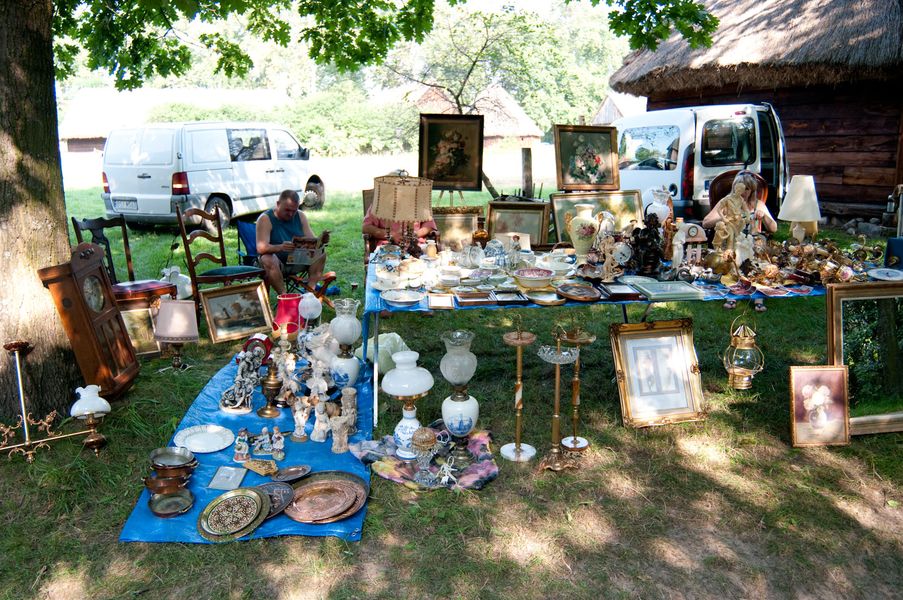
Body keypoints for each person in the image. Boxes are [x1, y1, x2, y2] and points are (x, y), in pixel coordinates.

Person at [702, 171, 777, 312]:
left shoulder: (758, 204)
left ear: (752, 190)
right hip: (732, 243)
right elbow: (706, 222)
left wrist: (764, 217)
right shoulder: (727, 201)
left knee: (758, 264)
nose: (743, 191)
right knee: (732, 262)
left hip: (751, 244)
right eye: (740, 187)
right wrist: (724, 216)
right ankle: (732, 296)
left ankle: (758, 298)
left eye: (747, 189)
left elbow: (773, 228)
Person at [256, 189, 330, 294]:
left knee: (321, 254)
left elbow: (312, 242)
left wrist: (321, 242)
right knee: (267, 258)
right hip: (277, 264)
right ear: (278, 204)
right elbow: (261, 248)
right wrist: (281, 247)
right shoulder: (265, 219)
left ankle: (309, 293)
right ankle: (285, 297)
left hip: (297, 260)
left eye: (294, 211)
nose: (291, 214)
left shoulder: (300, 216)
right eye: (287, 210)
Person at [361, 204, 437, 247]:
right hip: (387, 246)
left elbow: (429, 225)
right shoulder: (378, 204)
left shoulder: (418, 202)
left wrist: (415, 234)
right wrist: (391, 234)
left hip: (416, 244)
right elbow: (366, 227)